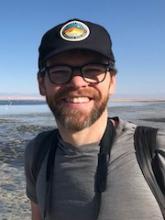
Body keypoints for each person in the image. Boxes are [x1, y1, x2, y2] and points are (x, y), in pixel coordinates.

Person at [24, 18, 165, 220]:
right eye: (59, 71)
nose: (77, 82)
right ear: (41, 84)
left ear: (112, 82)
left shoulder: (156, 150)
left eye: (93, 70)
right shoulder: (37, 152)